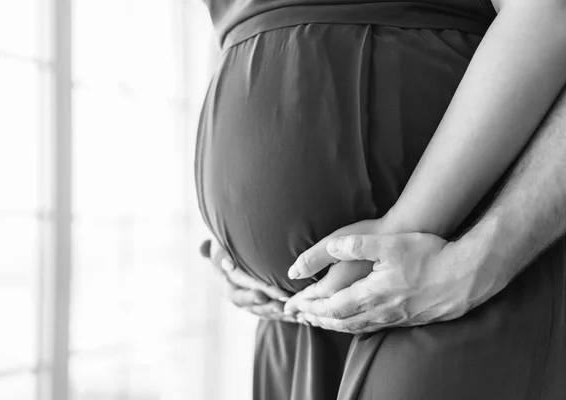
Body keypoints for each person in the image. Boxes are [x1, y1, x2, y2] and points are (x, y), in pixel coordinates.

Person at [196, 0, 566, 398]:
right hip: (293, 317)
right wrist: (234, 235)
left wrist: (409, 225)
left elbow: (547, 12)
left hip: (439, 267)